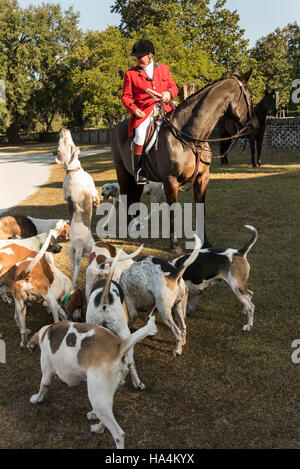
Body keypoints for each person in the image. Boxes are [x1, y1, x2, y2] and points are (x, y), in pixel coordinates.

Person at [121, 39, 178, 184]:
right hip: (145, 112)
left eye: (140, 56)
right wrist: (134, 110)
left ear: (150, 55)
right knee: (140, 134)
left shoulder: (164, 69)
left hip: (166, 108)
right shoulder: (130, 74)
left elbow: (173, 87)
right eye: (136, 56)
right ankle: (139, 170)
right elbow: (126, 97)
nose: (137, 59)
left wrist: (169, 94)